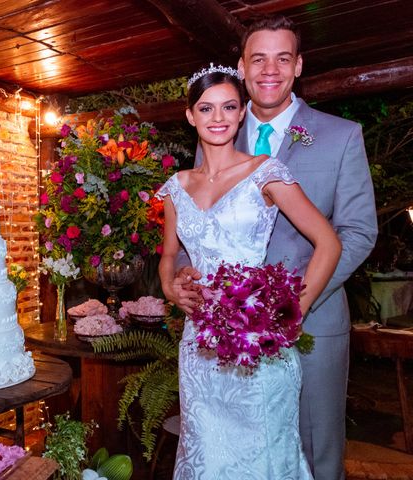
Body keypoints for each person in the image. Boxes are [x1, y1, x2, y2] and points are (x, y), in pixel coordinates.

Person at [170, 16, 378, 480]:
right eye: (258, 58)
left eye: (282, 58)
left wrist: (290, 308)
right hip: (221, 335)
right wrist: (184, 275)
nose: (270, 69)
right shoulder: (218, 128)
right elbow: (197, 223)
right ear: (241, 68)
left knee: (313, 457)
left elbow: (358, 232)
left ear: (298, 65)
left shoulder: (341, 135)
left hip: (313, 324)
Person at [158, 65, 341, 478]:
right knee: (207, 456)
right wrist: (170, 288)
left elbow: (328, 243)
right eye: (206, 108)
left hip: (260, 347)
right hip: (199, 349)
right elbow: (169, 256)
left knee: (265, 459)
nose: (218, 117)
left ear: (242, 113)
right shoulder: (176, 187)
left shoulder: (267, 172)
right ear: (191, 116)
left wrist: (291, 314)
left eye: (228, 107)